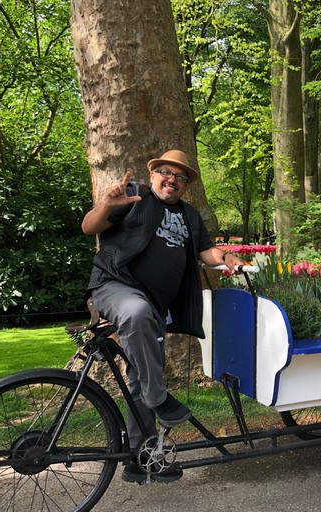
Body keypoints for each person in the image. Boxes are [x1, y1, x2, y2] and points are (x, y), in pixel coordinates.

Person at [82, 149, 245, 484]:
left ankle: (140, 459)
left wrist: (226, 255)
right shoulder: (135, 196)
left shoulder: (189, 215)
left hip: (157, 306)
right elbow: (88, 227)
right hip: (116, 286)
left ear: (186, 185)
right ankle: (160, 398)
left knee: (140, 378)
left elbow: (206, 251)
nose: (172, 180)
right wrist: (107, 206)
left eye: (180, 176)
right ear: (154, 174)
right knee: (138, 316)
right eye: (166, 173)